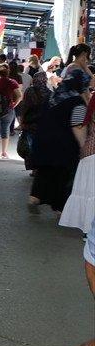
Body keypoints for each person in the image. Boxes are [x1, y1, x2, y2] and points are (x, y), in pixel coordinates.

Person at [30, 68, 89, 211]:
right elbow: (77, 126)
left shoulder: (53, 96)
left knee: (44, 171)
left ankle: (34, 198)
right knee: (63, 176)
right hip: (63, 146)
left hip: (42, 140)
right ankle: (59, 207)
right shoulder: (77, 101)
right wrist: (83, 147)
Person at [60, 73, 95, 230]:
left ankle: (87, 230)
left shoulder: (92, 99)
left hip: (89, 152)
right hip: (91, 154)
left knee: (88, 194)